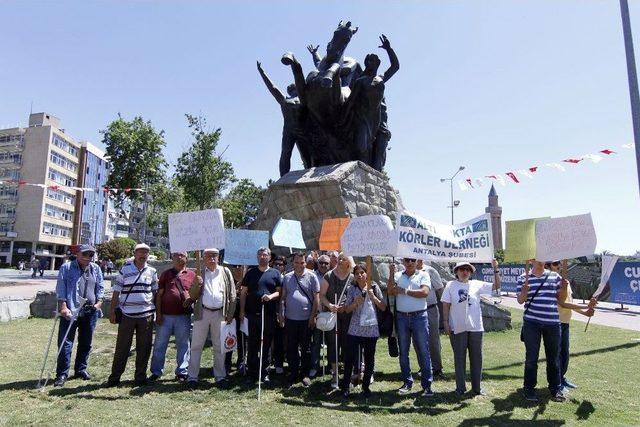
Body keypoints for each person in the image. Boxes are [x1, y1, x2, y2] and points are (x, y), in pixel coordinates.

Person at [441, 260, 501, 397]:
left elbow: (496, 286)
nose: (465, 272)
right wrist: (445, 322)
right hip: (458, 326)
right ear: (456, 272)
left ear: (471, 272)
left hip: (475, 327)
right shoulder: (450, 285)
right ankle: (460, 388)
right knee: (459, 358)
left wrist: (495, 268)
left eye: (467, 269)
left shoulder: (476, 284)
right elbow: (445, 304)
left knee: (477, 358)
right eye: (462, 269)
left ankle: (477, 388)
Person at [107, 243, 158, 387]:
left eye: (145, 253)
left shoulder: (152, 272)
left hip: (146, 315)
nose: (143, 255)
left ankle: (140, 377)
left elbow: (154, 292)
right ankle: (115, 377)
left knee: (144, 348)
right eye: (140, 252)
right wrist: (112, 311)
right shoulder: (125, 270)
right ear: (135, 254)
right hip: (127, 314)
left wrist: (156, 312)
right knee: (122, 347)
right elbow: (117, 291)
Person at [517, 259, 568, 402]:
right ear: (532, 260)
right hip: (531, 323)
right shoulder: (523, 277)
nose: (540, 260)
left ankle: (555, 388)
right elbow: (520, 301)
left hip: (552, 323)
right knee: (531, 358)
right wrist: (524, 291)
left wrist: (563, 288)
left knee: (553, 358)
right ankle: (529, 388)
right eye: (537, 257)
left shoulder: (555, 276)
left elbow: (561, 300)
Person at [53, 244, 104, 386]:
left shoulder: (96, 268)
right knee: (65, 343)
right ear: (78, 254)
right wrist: (63, 306)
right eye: (85, 254)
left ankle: (81, 369)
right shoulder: (67, 268)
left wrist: (99, 303)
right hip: (71, 310)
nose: (88, 257)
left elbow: (100, 286)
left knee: (86, 342)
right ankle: (62, 374)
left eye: (91, 255)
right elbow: (61, 287)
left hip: (90, 311)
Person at [186, 248, 236, 386]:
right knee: (196, 345)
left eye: (214, 256)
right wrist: (197, 283)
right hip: (202, 312)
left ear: (218, 257)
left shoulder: (225, 272)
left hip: (220, 313)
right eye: (208, 256)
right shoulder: (199, 273)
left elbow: (232, 294)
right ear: (203, 258)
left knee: (219, 346)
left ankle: (220, 376)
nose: (212, 259)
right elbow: (193, 295)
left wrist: (230, 314)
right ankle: (192, 377)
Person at [546, 261, 596, 391]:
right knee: (557, 354)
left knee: (565, 354)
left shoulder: (565, 282)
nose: (559, 266)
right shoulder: (551, 282)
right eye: (555, 263)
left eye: (560, 263)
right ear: (548, 266)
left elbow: (570, 303)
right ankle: (556, 383)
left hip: (565, 322)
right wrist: (586, 306)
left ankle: (561, 378)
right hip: (555, 323)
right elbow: (562, 304)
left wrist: (585, 313)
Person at [388, 258, 434, 397]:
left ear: (416, 261)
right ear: (403, 261)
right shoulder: (397, 275)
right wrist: (391, 273)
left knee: (423, 351)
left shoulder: (423, 274)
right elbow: (391, 291)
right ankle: (407, 382)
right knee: (403, 351)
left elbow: (424, 293)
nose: (409, 262)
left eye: (412, 260)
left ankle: (427, 385)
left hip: (419, 317)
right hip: (402, 317)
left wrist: (405, 291)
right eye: (407, 260)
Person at [340, 263, 386, 398]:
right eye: (357, 273)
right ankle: (345, 387)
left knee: (369, 358)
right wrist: (356, 303)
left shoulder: (374, 287)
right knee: (349, 358)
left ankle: (366, 386)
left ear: (367, 274)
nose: (360, 275)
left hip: (371, 328)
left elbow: (383, 307)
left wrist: (373, 298)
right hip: (355, 328)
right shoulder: (352, 289)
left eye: (362, 272)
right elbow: (346, 309)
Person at [148, 251, 195, 382]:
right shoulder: (166, 274)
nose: (179, 257)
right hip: (166, 315)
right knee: (159, 344)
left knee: (183, 345)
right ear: (172, 258)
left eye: (182, 255)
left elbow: (195, 294)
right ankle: (156, 372)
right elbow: (159, 295)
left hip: (184, 316)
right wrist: (158, 313)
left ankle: (182, 371)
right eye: (176, 255)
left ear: (187, 258)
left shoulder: (192, 275)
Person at [239, 247, 282, 384]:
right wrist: (241, 311)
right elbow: (243, 293)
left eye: (265, 255)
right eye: (260, 255)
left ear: (269, 257)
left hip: (268, 315)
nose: (262, 257)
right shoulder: (251, 273)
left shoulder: (275, 273)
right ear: (257, 257)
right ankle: (252, 373)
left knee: (267, 344)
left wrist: (270, 297)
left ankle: (264, 373)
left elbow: (279, 293)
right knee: (252, 344)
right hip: (252, 315)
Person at [279, 252, 320, 387]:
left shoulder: (312, 277)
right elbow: (283, 298)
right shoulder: (287, 277)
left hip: (306, 320)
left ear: (305, 263)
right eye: (297, 262)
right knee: (291, 347)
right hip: (290, 319)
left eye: (302, 262)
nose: (299, 265)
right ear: (293, 263)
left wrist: (312, 316)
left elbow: (316, 299)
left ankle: (305, 374)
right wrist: (281, 313)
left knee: (306, 347)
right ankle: (293, 372)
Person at [319, 252, 355, 389]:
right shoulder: (328, 276)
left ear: (348, 262)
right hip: (332, 316)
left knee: (348, 345)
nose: (340, 261)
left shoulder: (353, 278)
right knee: (333, 345)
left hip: (348, 316)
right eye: (339, 258)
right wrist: (330, 306)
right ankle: (334, 375)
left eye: (343, 259)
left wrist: (347, 306)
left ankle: (347, 375)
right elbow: (321, 296)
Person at [417, 259, 445, 379]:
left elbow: (440, 290)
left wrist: (446, 312)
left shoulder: (430, 271)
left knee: (433, 339)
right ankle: (423, 366)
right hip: (415, 310)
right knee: (418, 340)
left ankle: (437, 367)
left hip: (430, 309)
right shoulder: (407, 271)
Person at [310, 254, 331, 377]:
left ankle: (330, 366)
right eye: (321, 262)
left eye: (326, 263)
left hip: (329, 314)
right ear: (317, 263)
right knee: (316, 342)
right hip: (317, 314)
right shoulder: (312, 275)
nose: (323, 265)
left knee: (330, 342)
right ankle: (314, 366)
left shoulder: (332, 276)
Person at [271, 255, 287, 374]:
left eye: (280, 264)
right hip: (270, 311)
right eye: (276, 264)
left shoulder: (287, 278)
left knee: (281, 339)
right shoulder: (269, 275)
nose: (278, 266)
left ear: (284, 266)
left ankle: (280, 363)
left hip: (284, 313)